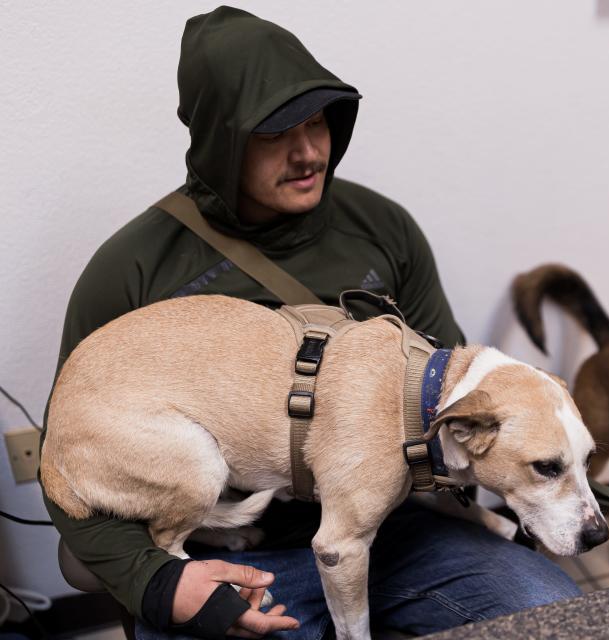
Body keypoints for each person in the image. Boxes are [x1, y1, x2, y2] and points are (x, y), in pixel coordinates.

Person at [39, 6, 580, 640]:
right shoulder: (132, 268)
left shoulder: (383, 229)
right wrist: (158, 582)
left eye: (318, 122)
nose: (307, 153)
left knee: (558, 615)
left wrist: (518, 498)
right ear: (222, 140)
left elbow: (457, 405)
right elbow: (69, 458)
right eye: (273, 134)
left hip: (396, 530)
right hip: (237, 557)